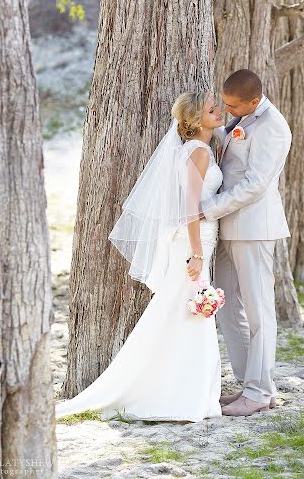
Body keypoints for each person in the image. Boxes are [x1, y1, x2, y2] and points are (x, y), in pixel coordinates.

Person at [55, 92, 225, 422]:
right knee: (186, 313)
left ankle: (184, 388)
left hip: (197, 241)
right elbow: (190, 208)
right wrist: (197, 254)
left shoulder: (199, 149)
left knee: (183, 313)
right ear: (193, 120)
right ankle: (171, 392)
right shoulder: (199, 152)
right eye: (211, 109)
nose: (219, 111)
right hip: (193, 244)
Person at [201, 69, 292, 417]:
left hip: (253, 227)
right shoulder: (242, 117)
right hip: (227, 226)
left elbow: (255, 183)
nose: (226, 111)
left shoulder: (272, 126)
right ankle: (248, 384)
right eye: (223, 104)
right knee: (225, 306)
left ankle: (260, 391)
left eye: (233, 105)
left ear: (254, 101)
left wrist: (207, 209)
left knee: (259, 311)